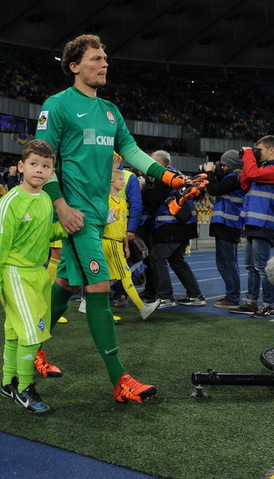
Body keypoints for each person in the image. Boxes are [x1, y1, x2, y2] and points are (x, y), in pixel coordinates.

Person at [35, 34, 203, 403]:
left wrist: (173, 178)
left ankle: (30, 347)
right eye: (96, 59)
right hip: (75, 215)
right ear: (74, 66)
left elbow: (131, 150)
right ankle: (120, 379)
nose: (104, 63)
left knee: (65, 284)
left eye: (105, 58)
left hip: (99, 214)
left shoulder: (110, 110)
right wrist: (61, 206)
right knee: (98, 286)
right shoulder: (57, 105)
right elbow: (44, 160)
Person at [0, 139, 66, 414]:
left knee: (16, 331)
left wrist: (66, 228)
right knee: (31, 334)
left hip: (37, 273)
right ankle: (25, 389)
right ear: (21, 166)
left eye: (46, 166)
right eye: (33, 164)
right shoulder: (10, 202)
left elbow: (45, 234)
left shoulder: (45, 200)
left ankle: (8, 383)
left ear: (52, 172)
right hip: (15, 273)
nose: (39, 170)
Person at [228, 135, 274, 318]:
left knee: (262, 267)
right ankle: (251, 302)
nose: (256, 153)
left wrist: (248, 156)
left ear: (271, 150)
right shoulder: (261, 168)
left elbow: (252, 175)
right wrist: (249, 161)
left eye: (259, 150)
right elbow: (245, 183)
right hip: (253, 222)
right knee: (250, 266)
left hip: (265, 223)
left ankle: (269, 306)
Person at [144, 150, 205, 308]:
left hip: (171, 226)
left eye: (151, 162)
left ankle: (165, 297)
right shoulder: (178, 174)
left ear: (159, 163)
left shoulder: (165, 176)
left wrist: (143, 189)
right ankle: (195, 295)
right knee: (177, 260)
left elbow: (154, 199)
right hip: (185, 225)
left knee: (157, 257)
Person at [103, 170, 160, 320]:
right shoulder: (104, 200)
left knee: (107, 277)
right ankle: (142, 307)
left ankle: (91, 305)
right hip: (109, 242)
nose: (123, 182)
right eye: (120, 179)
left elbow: (123, 226)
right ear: (111, 182)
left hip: (118, 243)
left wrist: (126, 246)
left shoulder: (122, 202)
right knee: (124, 275)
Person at [203, 150, 246, 308]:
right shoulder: (234, 178)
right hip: (229, 224)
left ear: (231, 165)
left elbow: (213, 190)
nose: (222, 167)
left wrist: (209, 173)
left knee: (226, 263)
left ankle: (233, 297)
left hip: (227, 224)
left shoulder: (234, 178)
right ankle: (232, 295)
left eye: (224, 165)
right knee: (229, 263)